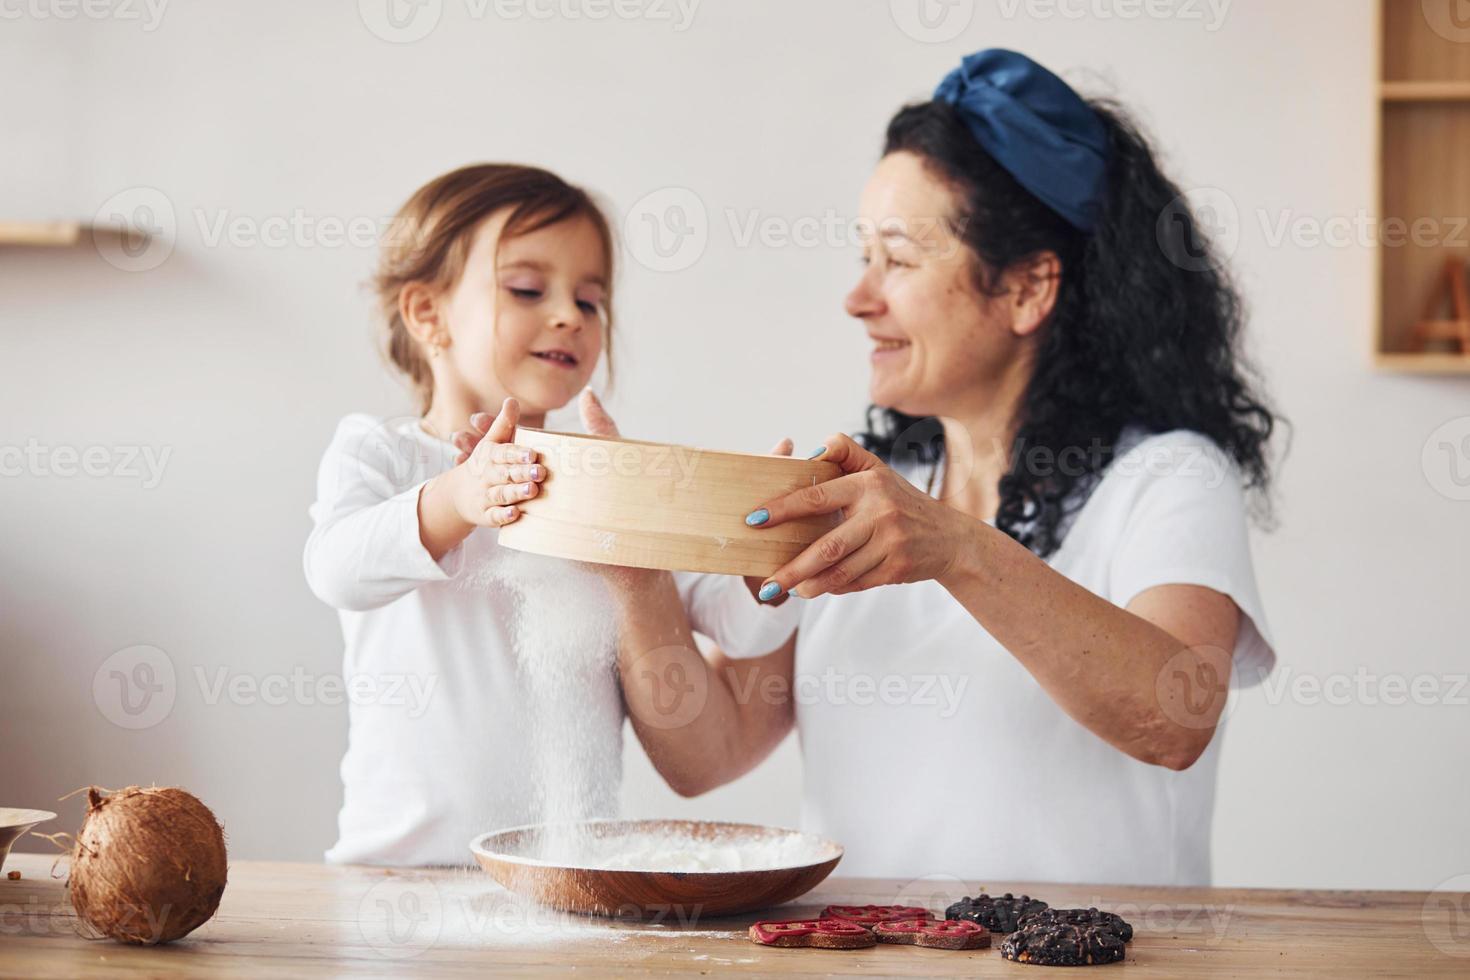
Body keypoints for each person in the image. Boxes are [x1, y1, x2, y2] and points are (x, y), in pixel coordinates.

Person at [608, 49, 1280, 886]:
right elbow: (706, 752)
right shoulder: (867, 492)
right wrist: (633, 574)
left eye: (898, 258)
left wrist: (959, 549)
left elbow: (1175, 718)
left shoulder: (1170, 478)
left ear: (1029, 288)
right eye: (862, 256)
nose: (858, 298)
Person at [304, 164, 790, 864]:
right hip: (399, 873)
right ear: (426, 314)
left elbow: (741, 628)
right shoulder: (382, 454)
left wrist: (766, 551)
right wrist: (459, 496)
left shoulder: (604, 478)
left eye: (590, 301)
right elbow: (335, 570)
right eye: (528, 289)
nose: (569, 314)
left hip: (569, 872)